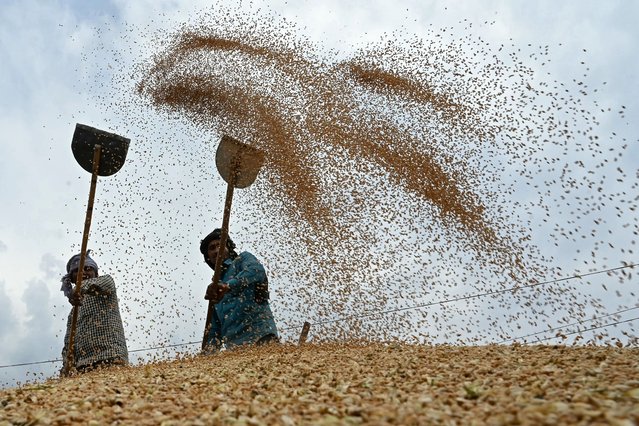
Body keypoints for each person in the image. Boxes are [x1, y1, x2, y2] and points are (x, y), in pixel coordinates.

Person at [200, 229, 279, 352]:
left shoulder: (242, 260)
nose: (216, 250)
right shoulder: (214, 292)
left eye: (220, 245)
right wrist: (206, 356)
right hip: (235, 350)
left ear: (228, 248)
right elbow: (214, 333)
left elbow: (256, 270)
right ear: (208, 258)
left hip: (261, 337)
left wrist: (228, 286)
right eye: (212, 248)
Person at [60, 251, 128, 375]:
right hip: (83, 369)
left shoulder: (105, 288)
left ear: (95, 273)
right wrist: (66, 368)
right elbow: (69, 345)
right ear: (73, 278)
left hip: (112, 360)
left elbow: (106, 283)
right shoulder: (73, 312)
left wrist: (79, 288)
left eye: (88, 269)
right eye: (77, 271)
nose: (83, 273)